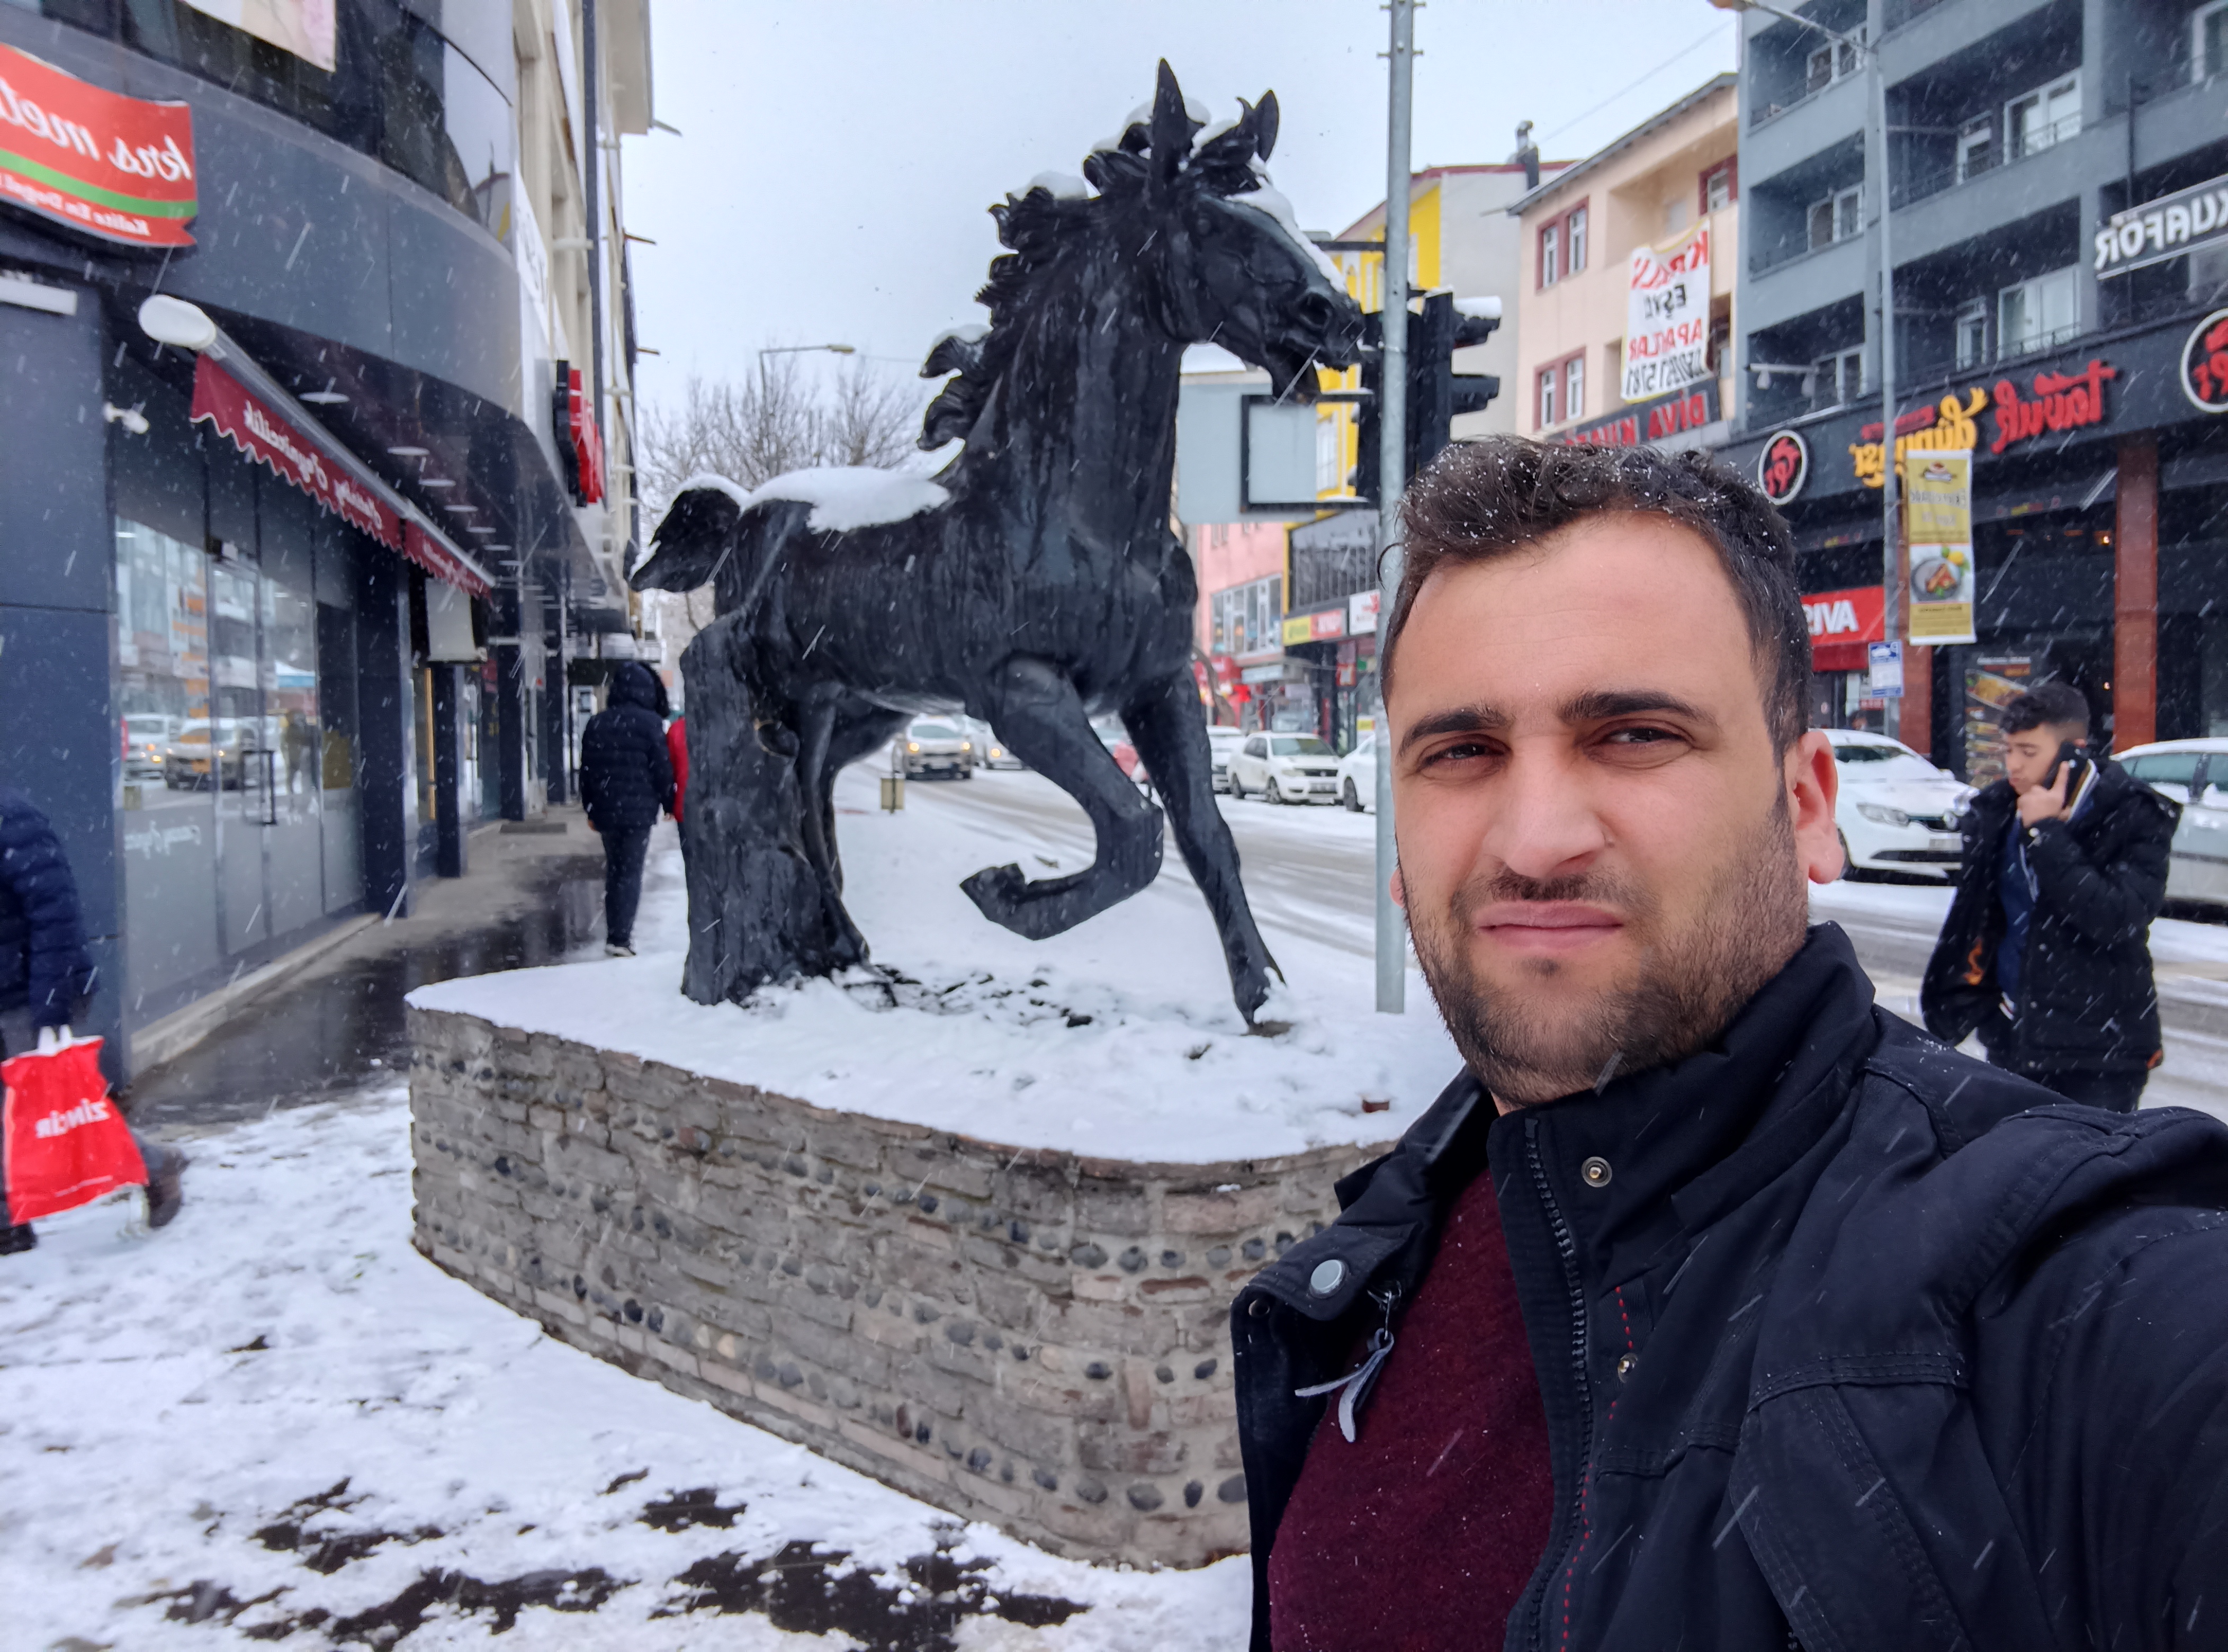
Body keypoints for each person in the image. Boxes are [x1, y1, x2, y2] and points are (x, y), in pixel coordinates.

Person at [1231, 437, 2228, 1652]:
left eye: (1634, 732)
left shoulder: (2078, 1302)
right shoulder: (1403, 1231)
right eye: (1461, 753)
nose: (1535, 838)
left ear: (1807, 805)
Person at [1921, 682, 2175, 1112]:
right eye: (2008, 750)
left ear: (2074, 752)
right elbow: (1980, 915)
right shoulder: (1998, 809)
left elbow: (2119, 917)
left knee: (2091, 1156)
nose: (2014, 765)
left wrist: (2048, 834)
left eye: (2028, 751)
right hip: (2015, 1036)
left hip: (2101, 1050)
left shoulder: (2131, 812)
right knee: (2017, 1154)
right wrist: (1982, 1009)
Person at [1, 787, 185, 1253]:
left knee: (58, 1105)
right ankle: (8, 1222)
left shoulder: (13, 820)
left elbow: (55, 913)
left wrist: (50, 1001)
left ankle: (156, 1166)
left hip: (30, 992)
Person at [577, 661, 673, 958]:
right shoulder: (650, 724)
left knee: (615, 870)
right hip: (639, 813)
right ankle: (620, 938)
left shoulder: (597, 723)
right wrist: (669, 802)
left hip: (606, 810)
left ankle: (614, 933)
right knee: (630, 872)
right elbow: (661, 768)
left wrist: (590, 809)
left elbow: (587, 771)